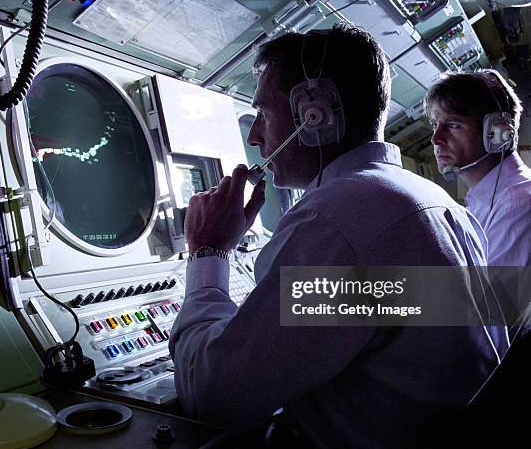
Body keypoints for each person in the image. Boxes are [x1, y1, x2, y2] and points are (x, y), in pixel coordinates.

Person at [169, 24, 507, 448]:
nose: (256, 137)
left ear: (316, 114)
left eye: (264, 115)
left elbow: (212, 396)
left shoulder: (340, 220)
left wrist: (209, 253)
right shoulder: (438, 203)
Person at [424, 70, 531, 266]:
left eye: (453, 125)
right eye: (434, 125)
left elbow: (491, 296)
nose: (435, 138)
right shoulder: (489, 198)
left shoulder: (517, 205)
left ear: (498, 133)